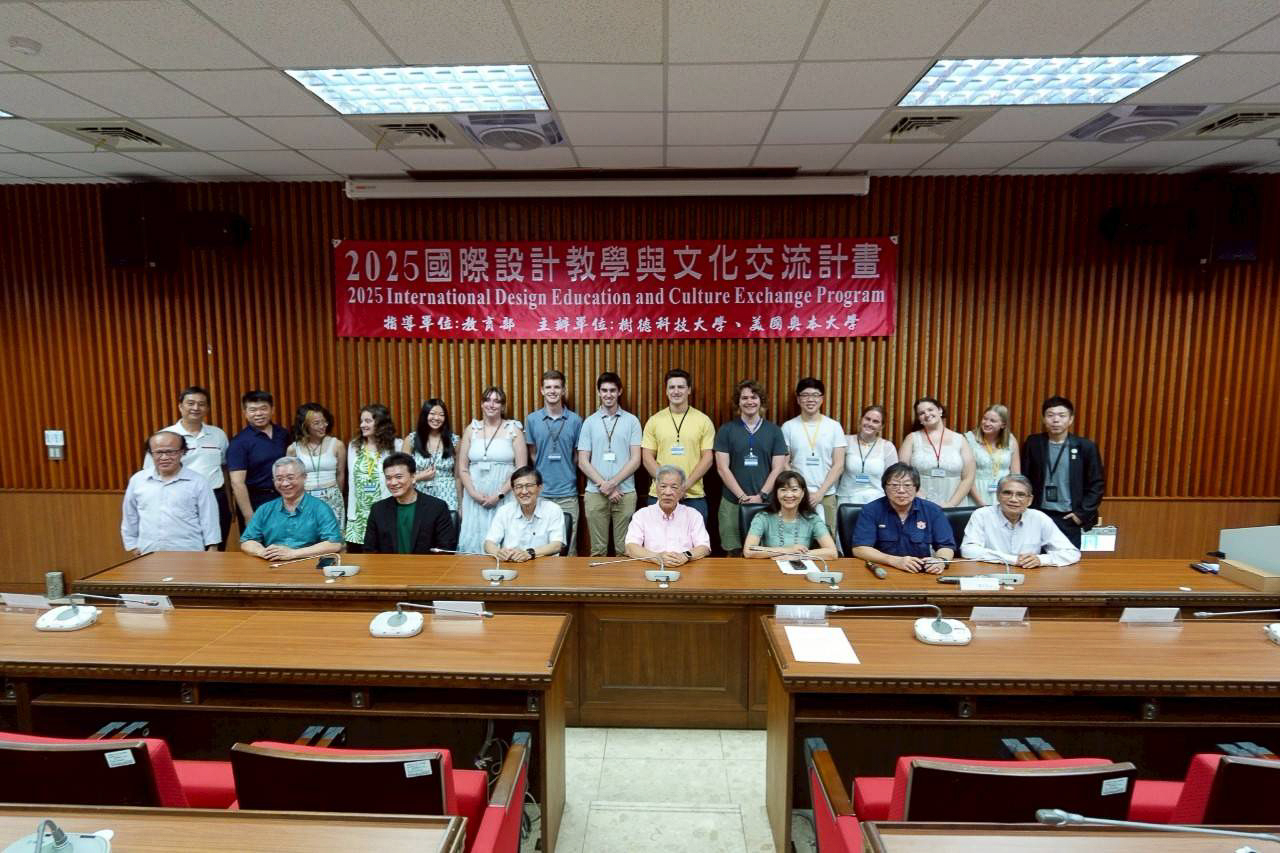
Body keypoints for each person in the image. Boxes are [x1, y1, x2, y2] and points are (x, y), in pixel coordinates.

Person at [144, 385, 231, 549]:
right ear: (180, 406)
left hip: (215, 496)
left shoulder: (218, 434)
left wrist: (229, 503)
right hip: (180, 498)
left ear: (207, 408)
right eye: (190, 403)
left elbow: (224, 469)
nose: (196, 408)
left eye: (201, 404)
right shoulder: (164, 436)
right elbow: (150, 473)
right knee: (185, 548)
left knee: (216, 548)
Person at [714, 380, 788, 556]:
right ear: (738, 402)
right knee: (733, 552)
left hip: (766, 503)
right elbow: (722, 468)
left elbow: (778, 468)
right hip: (732, 503)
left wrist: (762, 495)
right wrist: (742, 496)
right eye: (744, 398)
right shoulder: (726, 430)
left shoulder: (774, 431)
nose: (749, 401)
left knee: (765, 552)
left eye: (754, 397)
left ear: (761, 401)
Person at [1021, 395, 1105, 548]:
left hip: (1069, 517)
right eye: (1050, 415)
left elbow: (1097, 484)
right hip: (1039, 514)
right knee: (1033, 558)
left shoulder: (1085, 447)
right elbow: (1024, 477)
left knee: (1068, 558)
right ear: (1044, 419)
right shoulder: (1034, 443)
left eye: (1062, 415)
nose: (1056, 420)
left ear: (1070, 419)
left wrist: (1080, 515)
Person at [121, 430, 220, 554]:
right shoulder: (138, 480)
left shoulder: (198, 482)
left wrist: (212, 546)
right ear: (150, 453)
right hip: (148, 551)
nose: (164, 457)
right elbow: (130, 515)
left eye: (170, 452)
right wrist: (132, 545)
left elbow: (209, 517)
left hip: (189, 552)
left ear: (182, 451)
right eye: (158, 452)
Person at [578, 371, 643, 557]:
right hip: (595, 493)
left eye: (612, 390)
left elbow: (636, 459)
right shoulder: (589, 422)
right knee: (598, 551)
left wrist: (613, 483)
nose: (608, 394)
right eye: (604, 390)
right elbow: (583, 461)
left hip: (625, 493)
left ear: (619, 391)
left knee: (625, 551)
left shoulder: (632, 421)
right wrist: (604, 485)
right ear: (599, 392)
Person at [850, 462, 956, 574]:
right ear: (885, 488)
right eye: (894, 485)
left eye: (907, 485)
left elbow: (946, 546)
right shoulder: (871, 510)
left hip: (919, 572)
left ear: (916, 488)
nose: (901, 490)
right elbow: (859, 548)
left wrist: (941, 561)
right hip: (884, 570)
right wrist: (894, 560)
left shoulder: (932, 510)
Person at [457, 387, 527, 554]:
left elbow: (521, 469)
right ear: (482, 404)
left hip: (504, 496)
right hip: (475, 498)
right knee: (474, 543)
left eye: (497, 401)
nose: (491, 404)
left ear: (502, 406)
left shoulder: (513, 429)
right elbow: (462, 468)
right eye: (487, 400)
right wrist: (473, 494)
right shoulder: (471, 429)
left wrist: (499, 495)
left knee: (505, 542)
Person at [641, 369, 715, 521]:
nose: (676, 391)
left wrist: (683, 487)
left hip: (693, 495)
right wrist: (668, 486)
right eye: (672, 387)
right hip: (659, 495)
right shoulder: (654, 421)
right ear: (666, 391)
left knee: (695, 537)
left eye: (681, 387)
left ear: (689, 390)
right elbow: (647, 457)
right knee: (657, 537)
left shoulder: (703, 420)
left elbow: (708, 458)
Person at [961, 473, 1081, 567]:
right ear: (998, 496)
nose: (1013, 499)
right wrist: (1013, 560)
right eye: (1007, 493)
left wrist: (1041, 560)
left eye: (1020, 495)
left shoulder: (1039, 518)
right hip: (991, 575)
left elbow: (1072, 553)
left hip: (1030, 576)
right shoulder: (982, 515)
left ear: (1030, 500)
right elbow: (968, 550)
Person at [239, 457, 343, 561]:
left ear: (304, 477)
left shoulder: (320, 508)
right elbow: (247, 541)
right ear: (273, 481)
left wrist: (293, 553)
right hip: (272, 564)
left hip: (308, 563)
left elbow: (334, 544)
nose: (285, 483)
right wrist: (263, 552)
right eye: (279, 479)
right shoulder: (265, 509)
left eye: (290, 478)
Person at [525, 370, 583, 555]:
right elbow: (532, 454)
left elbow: (577, 457)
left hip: (568, 494)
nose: (552, 391)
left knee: (568, 549)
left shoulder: (576, 421)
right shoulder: (532, 420)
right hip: (541, 494)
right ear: (542, 390)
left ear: (563, 390)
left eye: (557, 387)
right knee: (541, 547)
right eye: (548, 387)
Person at [780, 377, 847, 535]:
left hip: (826, 494)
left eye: (815, 395)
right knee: (796, 537)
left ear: (822, 399)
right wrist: (800, 489)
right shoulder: (788, 427)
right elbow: (784, 463)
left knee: (827, 537)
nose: (810, 399)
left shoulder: (834, 426)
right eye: (805, 395)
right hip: (795, 494)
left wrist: (820, 493)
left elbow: (839, 464)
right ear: (798, 399)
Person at [363, 452, 457, 554]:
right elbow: (370, 550)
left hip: (426, 564)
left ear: (413, 477)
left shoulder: (437, 507)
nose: (393, 483)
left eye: (399, 477)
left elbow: (445, 549)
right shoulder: (378, 509)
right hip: (388, 564)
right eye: (388, 478)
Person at [624, 465, 712, 566]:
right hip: (652, 567)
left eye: (674, 487)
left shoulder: (693, 515)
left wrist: (685, 556)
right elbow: (630, 547)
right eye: (663, 486)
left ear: (682, 490)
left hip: (685, 567)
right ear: (656, 488)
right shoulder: (642, 515)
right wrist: (656, 557)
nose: (668, 492)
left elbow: (704, 547)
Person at [742, 470, 838, 560]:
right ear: (776, 493)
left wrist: (798, 556)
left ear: (803, 493)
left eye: (794, 490)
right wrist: (788, 550)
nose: (789, 495)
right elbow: (748, 551)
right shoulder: (763, 517)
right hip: (770, 568)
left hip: (801, 568)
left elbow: (832, 552)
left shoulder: (812, 519)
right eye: (783, 490)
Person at [345, 403, 402, 552]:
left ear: (380, 423)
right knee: (359, 557)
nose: (362, 425)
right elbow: (351, 480)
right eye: (361, 421)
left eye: (368, 421)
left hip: (386, 511)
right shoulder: (354, 446)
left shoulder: (396, 446)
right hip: (359, 514)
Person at [227, 390, 291, 524]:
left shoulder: (284, 434)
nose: (259, 413)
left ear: (272, 410)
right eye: (253, 410)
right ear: (245, 413)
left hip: (285, 497)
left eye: (263, 408)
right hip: (256, 501)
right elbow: (237, 483)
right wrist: (248, 515)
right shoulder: (239, 442)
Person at [898, 396, 974, 507]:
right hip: (920, 502)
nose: (927, 414)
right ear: (919, 419)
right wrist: (924, 500)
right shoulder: (911, 439)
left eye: (930, 409)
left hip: (954, 503)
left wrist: (951, 505)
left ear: (940, 410)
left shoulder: (960, 440)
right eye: (921, 413)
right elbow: (903, 473)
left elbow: (968, 477)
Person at [483, 466, 564, 561]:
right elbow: (488, 543)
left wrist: (529, 553)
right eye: (518, 487)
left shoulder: (553, 510)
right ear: (513, 491)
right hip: (511, 564)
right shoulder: (504, 511)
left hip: (543, 566)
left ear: (540, 488)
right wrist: (498, 552)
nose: (524, 491)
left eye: (529, 486)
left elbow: (556, 545)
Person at [286, 402, 345, 531]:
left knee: (334, 536)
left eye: (324, 422)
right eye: (316, 423)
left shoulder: (337, 445)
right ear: (305, 425)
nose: (322, 426)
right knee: (307, 535)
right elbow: (290, 478)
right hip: (304, 498)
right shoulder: (293, 449)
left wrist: (336, 494)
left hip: (332, 497)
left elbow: (340, 474)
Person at [406, 398, 461, 514]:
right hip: (419, 496)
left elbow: (458, 476)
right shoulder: (411, 440)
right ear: (425, 415)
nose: (436, 418)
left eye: (441, 415)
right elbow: (402, 474)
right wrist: (419, 477)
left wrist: (461, 505)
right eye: (432, 413)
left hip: (448, 498)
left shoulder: (454, 441)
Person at [837, 404, 899, 507]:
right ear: (861, 420)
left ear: (881, 427)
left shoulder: (887, 447)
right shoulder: (846, 441)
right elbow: (835, 469)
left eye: (875, 421)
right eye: (867, 419)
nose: (870, 423)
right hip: (847, 499)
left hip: (877, 502)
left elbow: (893, 478)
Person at [965, 404, 1020, 507]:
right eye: (985, 419)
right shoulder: (970, 440)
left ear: (1003, 425)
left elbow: (1016, 474)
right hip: (976, 493)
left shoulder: (1011, 440)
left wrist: (1011, 497)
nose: (986, 423)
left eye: (992, 421)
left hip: (1004, 493)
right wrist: (980, 503)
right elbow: (966, 475)